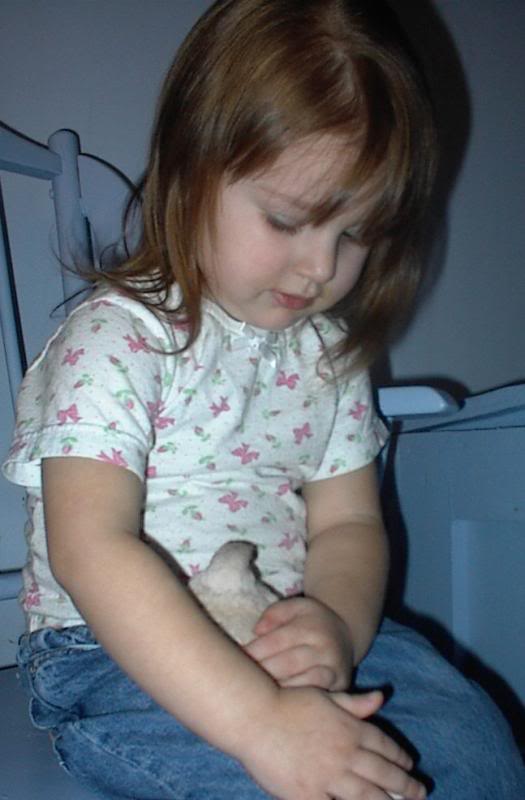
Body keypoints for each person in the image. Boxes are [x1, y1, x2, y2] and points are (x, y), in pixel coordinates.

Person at [3, 1, 524, 798]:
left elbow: (348, 524)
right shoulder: (116, 339)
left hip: (290, 625)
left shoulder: (329, 357)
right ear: (190, 169)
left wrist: (336, 630)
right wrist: (258, 721)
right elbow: (91, 549)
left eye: (355, 234)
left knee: (476, 752)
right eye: (287, 219)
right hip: (117, 648)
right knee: (290, 783)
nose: (319, 267)